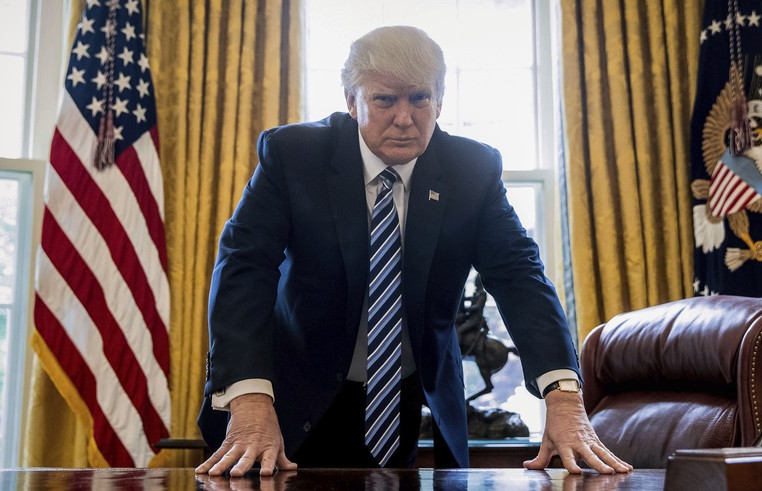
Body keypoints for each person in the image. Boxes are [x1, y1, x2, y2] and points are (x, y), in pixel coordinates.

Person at [195, 25, 632, 477]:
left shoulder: (472, 170)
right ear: (352, 102)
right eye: (385, 100)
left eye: (420, 98)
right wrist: (248, 400)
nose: (405, 117)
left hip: (399, 404)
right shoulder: (294, 155)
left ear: (439, 102)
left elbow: (520, 278)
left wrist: (563, 397)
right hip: (286, 401)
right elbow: (244, 268)